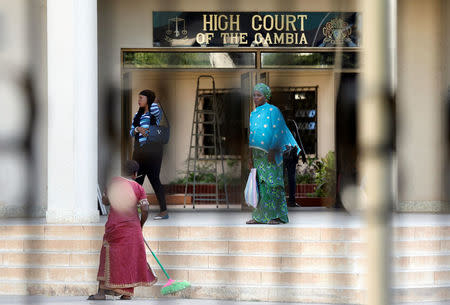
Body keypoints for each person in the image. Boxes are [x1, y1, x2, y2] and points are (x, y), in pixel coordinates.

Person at [88, 160, 157, 300]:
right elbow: (145, 209)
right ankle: (126, 294)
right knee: (128, 258)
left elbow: (105, 201)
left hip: (114, 227)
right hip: (132, 228)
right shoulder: (138, 187)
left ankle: (101, 293)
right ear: (135, 174)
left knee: (108, 256)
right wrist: (140, 225)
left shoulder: (113, 182)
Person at [247, 83, 301, 225]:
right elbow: (251, 135)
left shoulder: (273, 111)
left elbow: (278, 132)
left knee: (273, 184)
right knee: (260, 184)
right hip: (257, 156)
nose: (255, 98)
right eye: (254, 95)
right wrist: (250, 157)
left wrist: (272, 150)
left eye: (259, 95)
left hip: (271, 153)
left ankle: (277, 216)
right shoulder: (253, 114)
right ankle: (259, 216)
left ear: (266, 96)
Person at [130, 90, 168, 220]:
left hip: (153, 151)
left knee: (154, 179)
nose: (138, 100)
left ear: (148, 100)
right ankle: (133, 211)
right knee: (137, 180)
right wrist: (138, 129)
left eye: (141, 98)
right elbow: (131, 131)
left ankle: (163, 211)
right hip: (139, 151)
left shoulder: (154, 112)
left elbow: (154, 106)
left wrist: (153, 100)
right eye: (138, 98)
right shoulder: (137, 115)